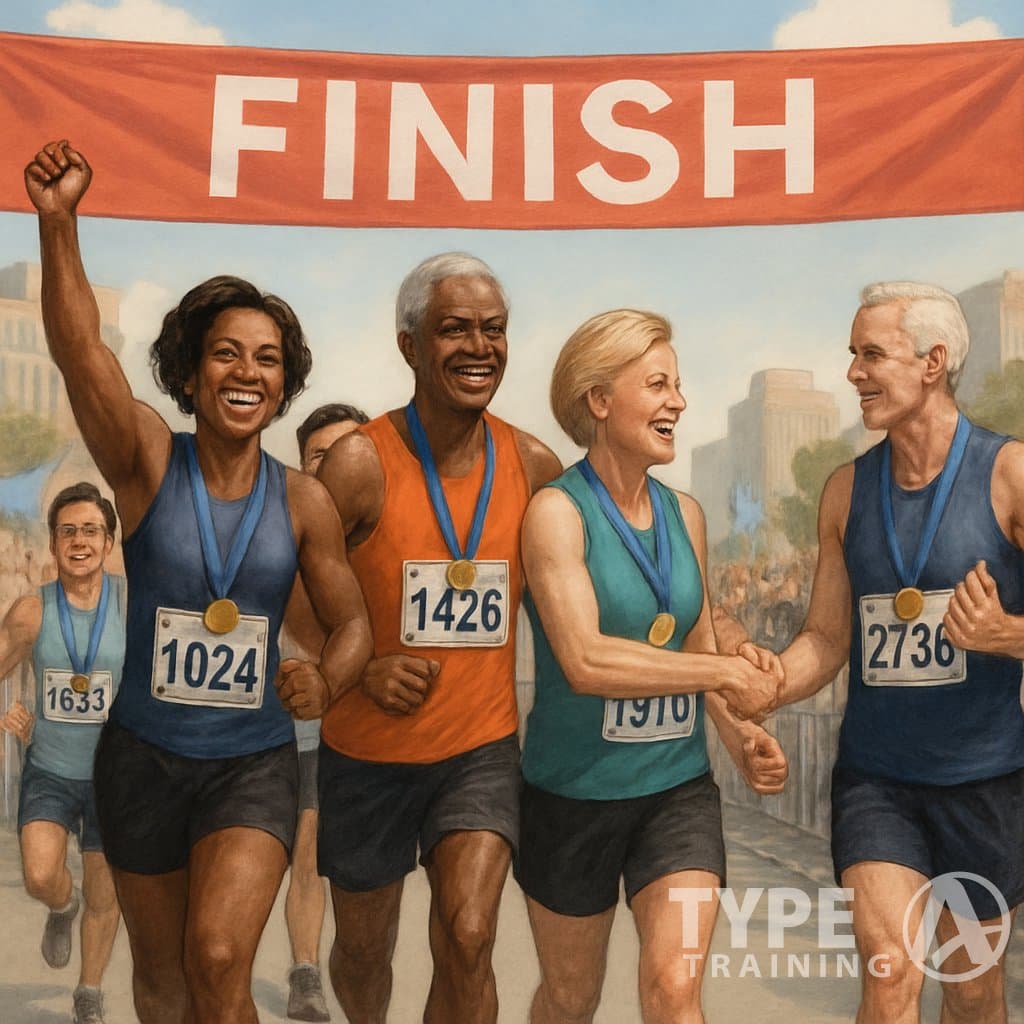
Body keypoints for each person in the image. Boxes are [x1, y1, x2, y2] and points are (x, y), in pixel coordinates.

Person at [24, 139, 372, 1024]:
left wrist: (327, 680)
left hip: (250, 765)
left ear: (285, 383)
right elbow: (80, 353)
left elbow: (353, 626)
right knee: (163, 982)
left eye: (267, 358)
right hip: (140, 759)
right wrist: (58, 224)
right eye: (225, 353)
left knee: (217, 959)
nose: (247, 372)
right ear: (188, 372)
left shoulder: (304, 502)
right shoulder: (146, 462)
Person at [516, 308, 785, 1024]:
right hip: (572, 796)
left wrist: (737, 734)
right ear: (600, 400)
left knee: (673, 991)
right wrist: (724, 676)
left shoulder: (686, 514)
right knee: (569, 999)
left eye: (679, 385)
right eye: (659, 385)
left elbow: (697, 646)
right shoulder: (556, 513)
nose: (679, 402)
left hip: (676, 793)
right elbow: (585, 659)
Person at [315, 252, 562, 1023]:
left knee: (470, 933)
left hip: (478, 752)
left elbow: (575, 605)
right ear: (410, 345)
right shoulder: (358, 464)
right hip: (365, 753)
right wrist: (360, 668)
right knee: (363, 954)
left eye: (495, 330)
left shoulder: (534, 465)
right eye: (456, 329)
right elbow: (291, 595)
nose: (480, 348)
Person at [772, 281, 1024, 1024]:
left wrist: (1005, 635)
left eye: (872, 355)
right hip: (877, 780)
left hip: (985, 780)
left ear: (932, 362)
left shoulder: (1010, 474)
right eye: (853, 354)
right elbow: (825, 639)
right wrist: (769, 680)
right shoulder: (845, 491)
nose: (853, 372)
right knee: (890, 974)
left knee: (972, 991)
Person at [0, 482, 124, 1024]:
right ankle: (61, 906)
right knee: (39, 874)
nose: (79, 541)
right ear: (52, 543)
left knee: (105, 891)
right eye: (67, 531)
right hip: (50, 768)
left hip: (115, 776)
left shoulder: (133, 604)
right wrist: (6, 714)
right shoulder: (32, 611)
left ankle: (89, 991)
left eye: (91, 531)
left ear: (108, 542)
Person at [282, 402, 369, 1022]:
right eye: (321, 456)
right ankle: (305, 971)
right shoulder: (285, 535)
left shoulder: (387, 537)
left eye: (348, 453)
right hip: (307, 727)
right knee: (308, 846)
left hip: (381, 731)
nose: (337, 467)